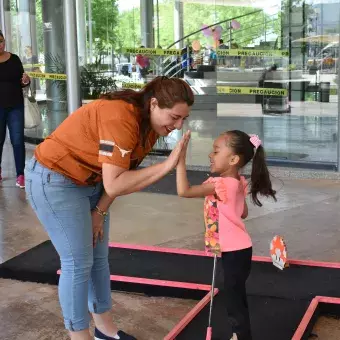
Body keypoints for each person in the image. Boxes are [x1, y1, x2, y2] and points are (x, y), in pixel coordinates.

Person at [25, 76, 194, 340]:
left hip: (92, 183)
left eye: (183, 119)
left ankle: (105, 330)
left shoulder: (150, 127)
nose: (177, 125)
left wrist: (99, 212)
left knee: (98, 259)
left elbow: (120, 180)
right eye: (174, 117)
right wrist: (166, 166)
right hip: (55, 178)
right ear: (153, 104)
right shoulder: (120, 117)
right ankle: (78, 335)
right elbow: (116, 183)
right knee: (77, 263)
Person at [176, 130, 277, 340]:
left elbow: (183, 191)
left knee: (233, 297)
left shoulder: (220, 184)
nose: (210, 155)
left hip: (234, 251)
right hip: (240, 249)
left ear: (233, 159)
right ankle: (240, 334)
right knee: (235, 294)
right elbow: (243, 212)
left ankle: (241, 336)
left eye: (215, 151)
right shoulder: (237, 182)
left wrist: (180, 160)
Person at [0, 30, 30, 188]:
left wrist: (26, 80)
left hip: (15, 107)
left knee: (18, 141)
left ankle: (20, 174)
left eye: (1, 41)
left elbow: (23, 80)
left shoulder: (15, 59)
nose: (0, 45)